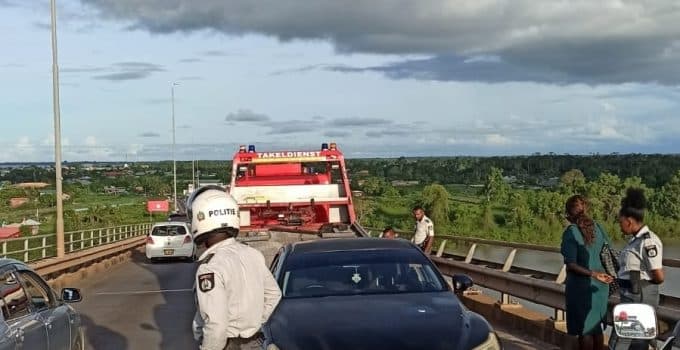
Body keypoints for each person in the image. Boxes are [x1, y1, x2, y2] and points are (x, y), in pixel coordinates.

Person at [188, 185, 282, 350]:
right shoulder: (253, 254)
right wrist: (253, 323)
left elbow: (216, 325)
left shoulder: (210, 267)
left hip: (229, 345)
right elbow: (274, 294)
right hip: (256, 342)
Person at [609, 188, 664, 350]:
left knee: (620, 342)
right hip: (631, 295)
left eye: (621, 222)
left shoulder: (647, 242)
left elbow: (658, 275)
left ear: (630, 221)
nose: (620, 226)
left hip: (638, 296)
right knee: (635, 342)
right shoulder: (635, 241)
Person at [560, 195, 614, 350]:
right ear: (586, 210)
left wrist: (593, 274)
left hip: (581, 287)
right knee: (596, 329)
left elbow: (571, 264)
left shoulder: (571, 232)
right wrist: (599, 275)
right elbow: (607, 252)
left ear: (568, 214)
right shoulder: (598, 227)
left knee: (584, 332)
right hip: (600, 287)